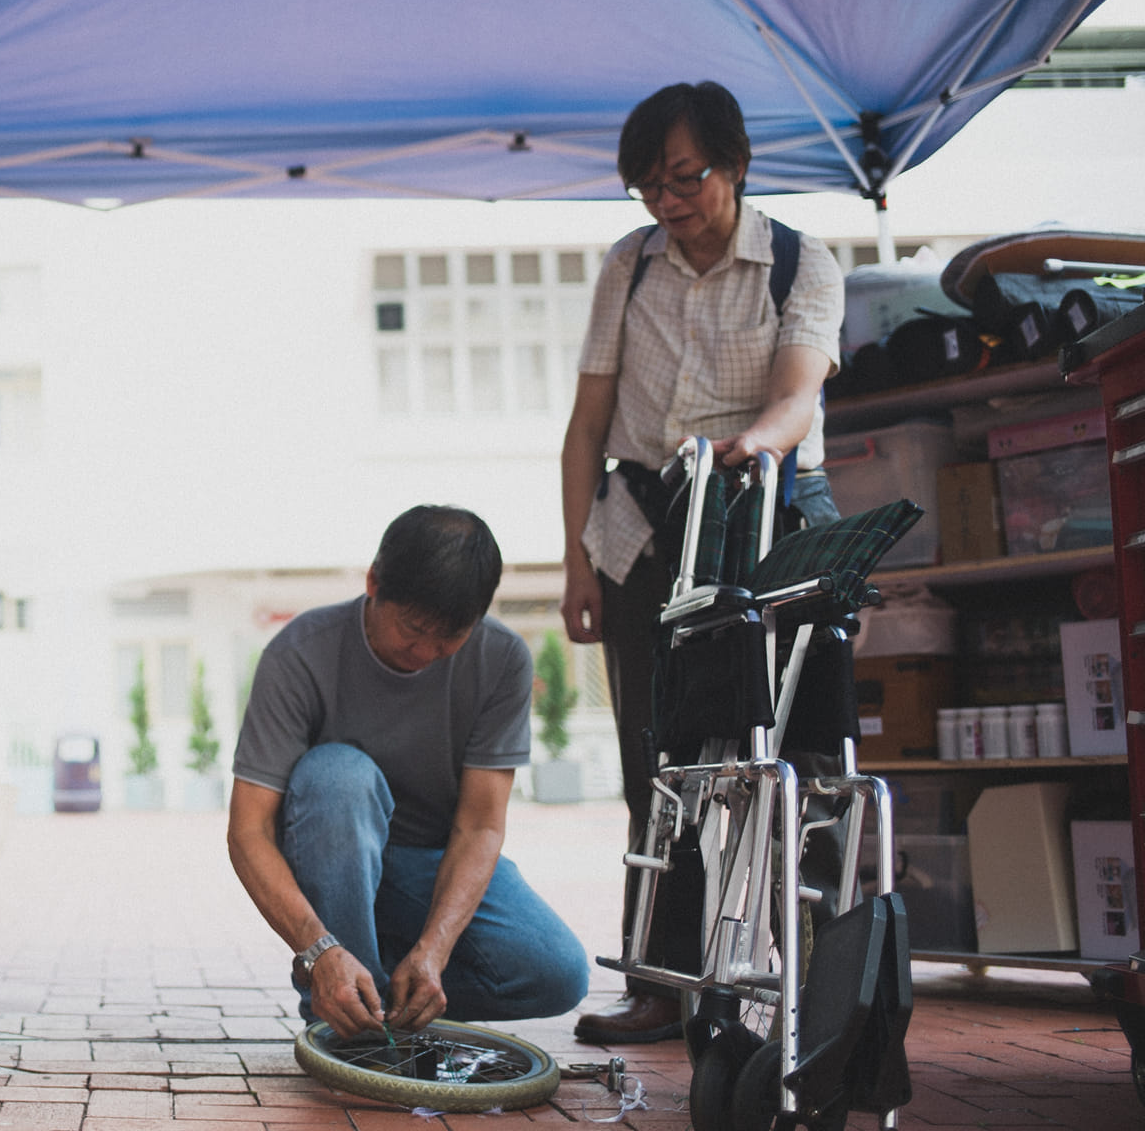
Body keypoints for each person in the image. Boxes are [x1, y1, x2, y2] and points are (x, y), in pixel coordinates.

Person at [559, 81, 843, 1044]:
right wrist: (576, 565)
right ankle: (664, 981)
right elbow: (586, 429)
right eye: (649, 187)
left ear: (737, 164)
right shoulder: (628, 266)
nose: (669, 203)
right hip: (642, 531)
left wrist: (749, 446)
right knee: (658, 759)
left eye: (687, 179)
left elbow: (798, 400)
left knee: (788, 756)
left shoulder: (802, 263)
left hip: (768, 519)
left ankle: (801, 977)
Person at [227, 506, 590, 1036]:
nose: (425, 653)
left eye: (449, 639)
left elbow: (481, 826)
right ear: (374, 582)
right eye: (413, 629)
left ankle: (379, 996)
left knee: (556, 973)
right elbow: (248, 830)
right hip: (333, 859)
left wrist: (434, 951)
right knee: (337, 777)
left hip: (430, 866)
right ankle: (340, 1008)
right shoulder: (300, 653)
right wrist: (319, 947)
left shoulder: (503, 659)